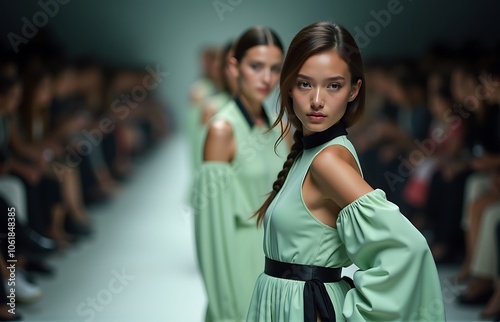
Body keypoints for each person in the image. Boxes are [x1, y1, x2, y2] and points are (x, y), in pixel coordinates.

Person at [246, 21, 445, 321]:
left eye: (333, 85)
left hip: (304, 308)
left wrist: (352, 313)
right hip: (287, 304)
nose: (316, 100)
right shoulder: (311, 151)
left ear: (354, 90)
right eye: (304, 83)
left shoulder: (328, 162)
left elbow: (409, 249)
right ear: (288, 86)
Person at [191, 26, 288, 322]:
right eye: (256, 66)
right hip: (237, 261)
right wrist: (224, 306)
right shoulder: (223, 130)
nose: (266, 78)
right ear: (234, 67)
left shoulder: (279, 127)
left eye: (274, 69)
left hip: (278, 265)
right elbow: (211, 234)